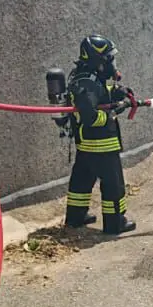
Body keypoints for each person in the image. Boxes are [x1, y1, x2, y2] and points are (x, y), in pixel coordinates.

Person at [61, 34, 136, 234]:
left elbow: (102, 91)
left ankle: (76, 218)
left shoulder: (87, 78)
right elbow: (91, 117)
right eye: (109, 59)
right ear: (98, 60)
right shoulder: (87, 82)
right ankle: (115, 223)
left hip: (87, 146)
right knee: (113, 186)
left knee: (81, 181)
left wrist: (119, 92)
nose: (112, 63)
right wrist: (113, 112)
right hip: (101, 145)